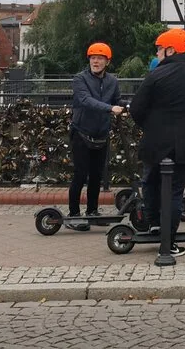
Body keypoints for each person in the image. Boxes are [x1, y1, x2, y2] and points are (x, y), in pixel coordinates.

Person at [130, 29, 185, 257]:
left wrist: (150, 125)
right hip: (182, 143)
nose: (157, 53)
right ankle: (170, 240)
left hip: (155, 142)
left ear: (171, 50)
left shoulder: (155, 75)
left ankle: (154, 223)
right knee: (175, 191)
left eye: (159, 49)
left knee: (151, 183)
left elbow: (136, 108)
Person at [67, 42, 123, 231]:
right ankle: (74, 214)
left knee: (97, 175)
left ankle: (92, 211)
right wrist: (110, 108)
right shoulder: (80, 79)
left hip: (101, 134)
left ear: (107, 62)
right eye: (93, 58)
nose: (95, 62)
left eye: (100, 58)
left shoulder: (112, 81)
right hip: (81, 132)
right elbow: (85, 100)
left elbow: (117, 100)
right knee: (80, 174)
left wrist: (129, 106)